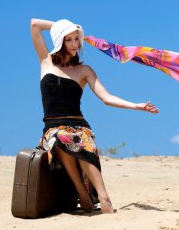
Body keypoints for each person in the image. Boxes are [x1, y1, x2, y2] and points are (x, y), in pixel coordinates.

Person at [30, 18, 159, 214]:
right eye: (69, 39)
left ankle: (103, 196)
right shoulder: (46, 61)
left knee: (77, 139)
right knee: (59, 137)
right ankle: (82, 192)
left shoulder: (84, 70)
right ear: (59, 41)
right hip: (53, 127)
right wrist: (62, 25)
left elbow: (107, 98)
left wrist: (137, 106)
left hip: (78, 125)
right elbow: (34, 25)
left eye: (76, 39)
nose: (75, 44)